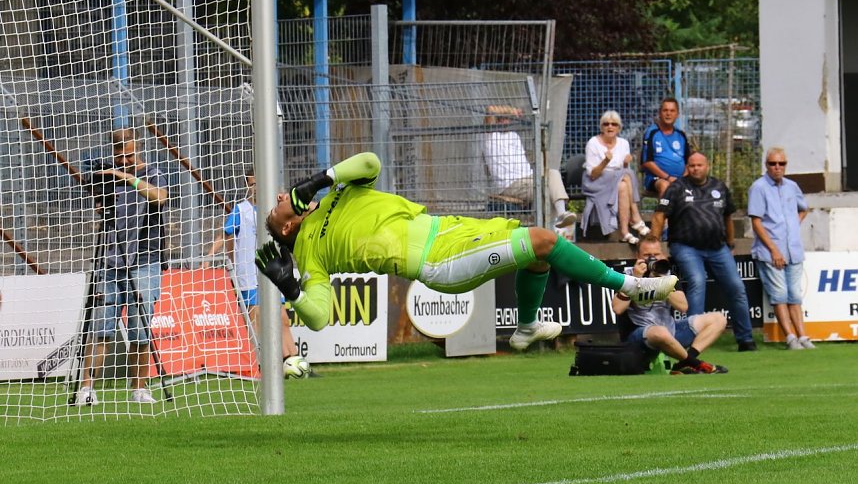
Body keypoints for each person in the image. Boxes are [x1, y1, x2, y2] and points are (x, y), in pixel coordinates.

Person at [255, 152, 678, 352]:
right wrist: (291, 287)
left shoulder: (335, 195)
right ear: (288, 225)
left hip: (447, 228)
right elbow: (319, 316)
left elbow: (370, 162)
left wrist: (318, 180)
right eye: (276, 205)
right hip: (437, 261)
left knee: (537, 256)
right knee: (544, 241)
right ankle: (634, 286)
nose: (278, 196)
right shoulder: (309, 251)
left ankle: (526, 327)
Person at [77, 128, 168, 406]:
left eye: (129, 154)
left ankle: (139, 389)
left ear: (137, 148)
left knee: (140, 329)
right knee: (101, 327)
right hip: (110, 259)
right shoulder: (109, 180)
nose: (125, 159)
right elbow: (101, 211)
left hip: (144, 261)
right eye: (120, 154)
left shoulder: (151, 173)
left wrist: (129, 178)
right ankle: (86, 389)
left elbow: (160, 197)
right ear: (114, 152)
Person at [205, 168, 311, 376]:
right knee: (258, 322)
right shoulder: (241, 210)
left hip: (273, 275)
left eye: (260, 183)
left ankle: (293, 362)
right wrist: (210, 260)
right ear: (248, 185)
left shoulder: (277, 210)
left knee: (282, 318)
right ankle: (264, 367)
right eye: (253, 184)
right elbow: (225, 236)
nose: (257, 188)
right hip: (249, 276)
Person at [650, 152, 757, 352]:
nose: (695, 169)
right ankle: (694, 341)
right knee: (697, 282)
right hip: (686, 246)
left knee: (737, 288)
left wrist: (731, 244)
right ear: (687, 167)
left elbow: (727, 218)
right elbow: (658, 216)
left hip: (718, 248)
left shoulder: (719, 187)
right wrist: (655, 246)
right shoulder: (677, 188)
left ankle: (746, 339)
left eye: (699, 165)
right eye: (692, 165)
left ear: (707, 166)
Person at [612, 235, 728, 374]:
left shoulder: (667, 275)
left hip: (669, 331)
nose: (652, 259)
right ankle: (697, 364)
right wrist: (635, 280)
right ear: (637, 256)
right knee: (660, 332)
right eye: (647, 255)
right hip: (638, 336)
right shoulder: (627, 275)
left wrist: (661, 282)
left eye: (656, 255)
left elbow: (683, 306)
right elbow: (617, 308)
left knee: (718, 319)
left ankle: (684, 363)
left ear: (663, 255)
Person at [748, 147, 814, 350]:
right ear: (766, 165)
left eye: (781, 164)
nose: (777, 167)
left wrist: (792, 226)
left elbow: (804, 208)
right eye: (773, 164)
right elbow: (756, 222)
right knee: (779, 295)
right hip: (770, 252)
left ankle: (803, 336)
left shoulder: (792, 186)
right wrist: (774, 249)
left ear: (786, 165)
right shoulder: (758, 187)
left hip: (793, 250)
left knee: (794, 295)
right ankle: (790, 337)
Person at [483, 105, 576, 230]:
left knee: (553, 173)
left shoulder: (513, 135)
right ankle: (550, 228)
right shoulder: (489, 137)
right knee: (545, 191)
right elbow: (490, 109)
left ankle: (561, 214)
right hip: (510, 184)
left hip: (528, 178)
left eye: (508, 118)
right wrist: (513, 110)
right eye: (501, 118)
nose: (505, 121)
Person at [580, 110, 650, 244]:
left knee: (623, 184)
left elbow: (624, 170)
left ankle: (624, 232)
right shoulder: (593, 143)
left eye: (614, 124)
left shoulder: (623, 143)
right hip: (596, 182)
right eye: (606, 124)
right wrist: (605, 161)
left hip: (617, 180)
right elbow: (593, 174)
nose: (610, 127)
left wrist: (625, 163)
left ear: (619, 128)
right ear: (601, 127)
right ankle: (635, 217)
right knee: (626, 175)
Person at [641, 98, 690, 197]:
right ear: (660, 113)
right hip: (657, 179)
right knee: (665, 186)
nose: (668, 114)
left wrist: (682, 179)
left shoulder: (681, 135)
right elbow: (647, 162)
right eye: (665, 110)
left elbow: (688, 162)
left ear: (677, 114)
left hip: (680, 179)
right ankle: (664, 212)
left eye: (672, 111)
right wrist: (668, 177)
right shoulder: (652, 133)